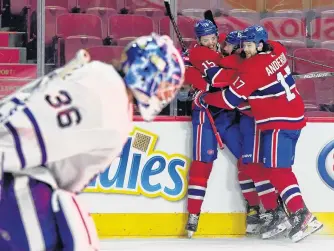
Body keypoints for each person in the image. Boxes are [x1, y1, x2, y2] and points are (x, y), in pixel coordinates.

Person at [0, 33, 185, 251]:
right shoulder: (107, 99)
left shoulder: (103, 79)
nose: (165, 94)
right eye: (165, 84)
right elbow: (23, 130)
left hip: (26, 179)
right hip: (18, 183)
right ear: (147, 73)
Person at [196, 25, 323, 242]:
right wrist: (230, 57)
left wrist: (204, 98)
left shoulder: (254, 68)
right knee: (273, 170)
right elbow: (250, 57)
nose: (244, 50)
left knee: (277, 170)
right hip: (292, 118)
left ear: (260, 44)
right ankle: (289, 212)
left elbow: (229, 100)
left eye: (248, 45)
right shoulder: (278, 50)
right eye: (243, 45)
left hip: (278, 121)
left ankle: (302, 214)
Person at [184, 22, 244, 238]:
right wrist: (204, 86)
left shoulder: (227, 48)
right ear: (198, 40)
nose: (209, 42)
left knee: (247, 156)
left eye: (211, 38)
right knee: (202, 164)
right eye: (204, 39)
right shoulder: (196, 53)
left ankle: (259, 209)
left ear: (217, 36)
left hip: (227, 114)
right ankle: (194, 214)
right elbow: (188, 75)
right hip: (204, 114)